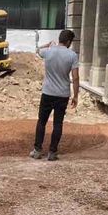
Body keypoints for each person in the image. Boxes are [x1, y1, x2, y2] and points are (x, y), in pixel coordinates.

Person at [30, 29, 79, 161]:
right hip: (62, 94)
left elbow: (37, 50)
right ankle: (52, 152)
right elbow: (75, 78)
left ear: (60, 39)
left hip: (47, 92)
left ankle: (37, 150)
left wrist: (47, 44)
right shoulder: (72, 55)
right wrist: (76, 96)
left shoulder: (48, 51)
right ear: (68, 41)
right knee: (58, 123)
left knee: (42, 121)